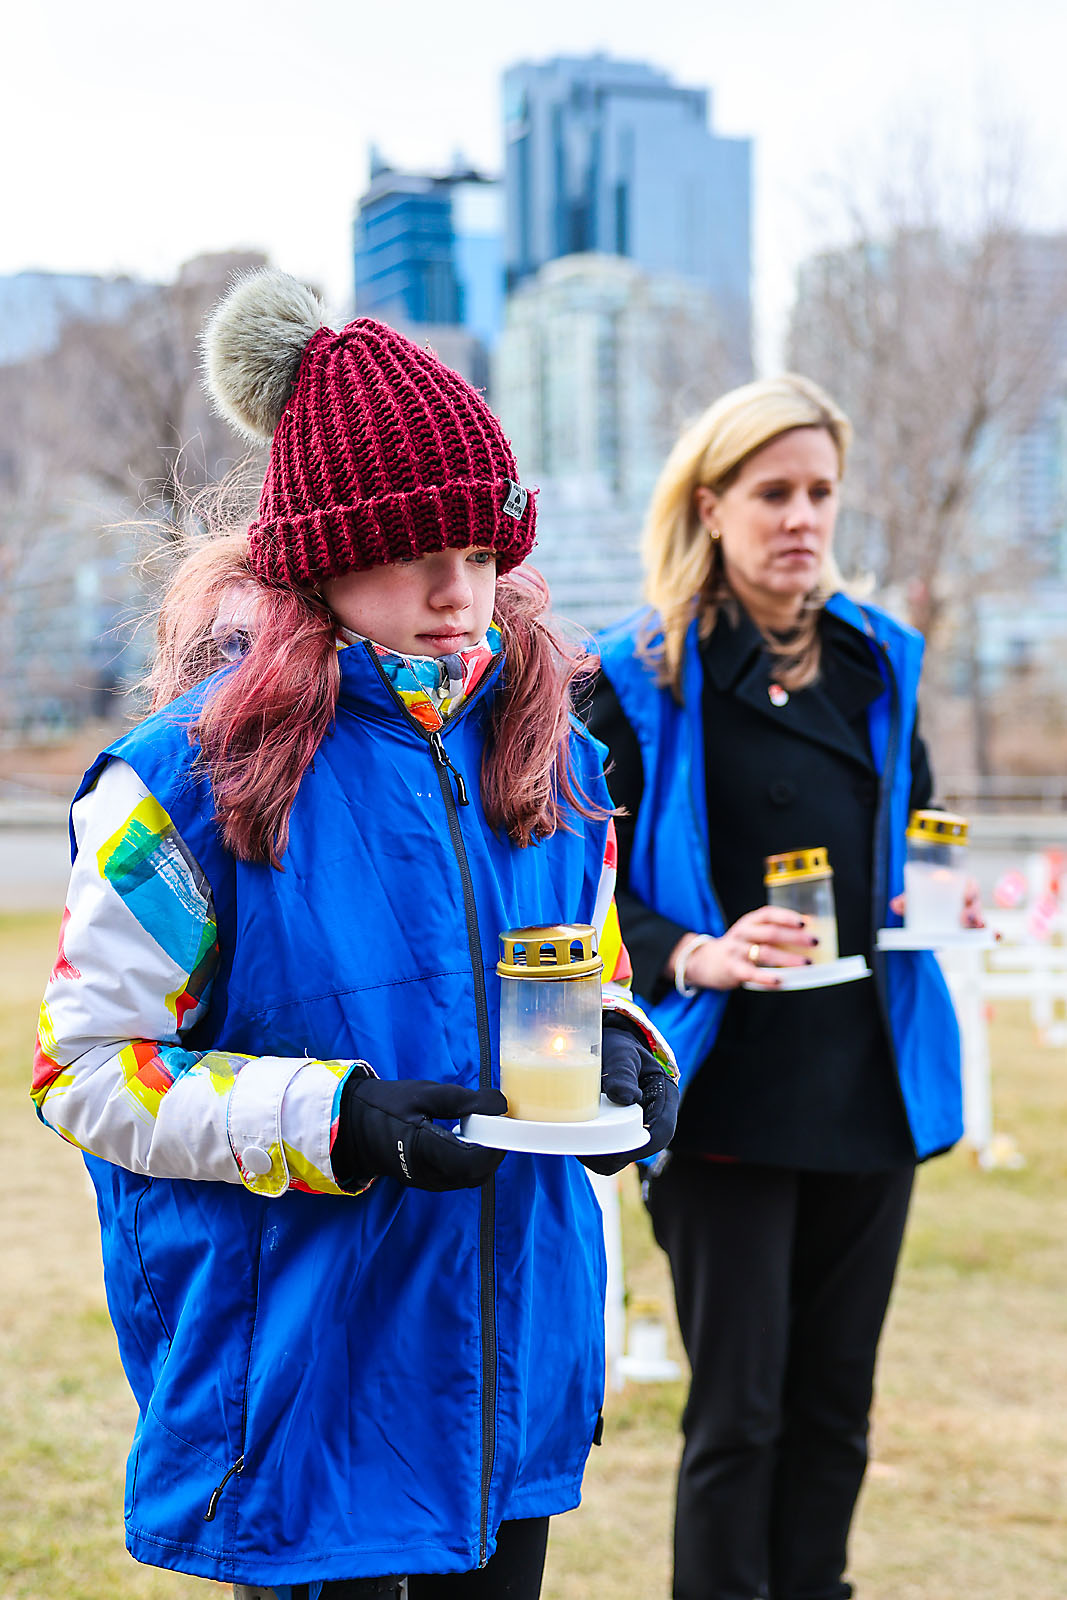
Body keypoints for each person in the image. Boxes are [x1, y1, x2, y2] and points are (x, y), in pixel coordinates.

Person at [31, 269, 678, 1600]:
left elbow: (589, 974)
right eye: (419, 548)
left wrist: (623, 1043)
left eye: (485, 546)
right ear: (324, 557)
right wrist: (334, 1119)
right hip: (305, 1371)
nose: (464, 587)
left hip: (502, 1360)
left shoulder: (557, 762)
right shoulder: (177, 788)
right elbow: (86, 1073)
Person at [587, 374, 982, 1600]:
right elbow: (581, 886)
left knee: (834, 1413)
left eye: (819, 491)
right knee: (739, 1414)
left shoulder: (878, 662)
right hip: (724, 1091)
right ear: (710, 504)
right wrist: (690, 954)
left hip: (863, 1078)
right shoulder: (637, 677)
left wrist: (931, 889)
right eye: (772, 492)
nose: (800, 515)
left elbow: (913, 829)